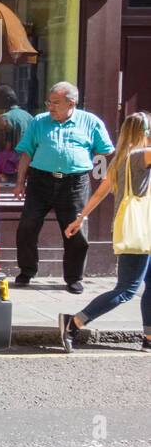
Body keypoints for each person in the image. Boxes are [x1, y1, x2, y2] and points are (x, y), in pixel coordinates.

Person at [58, 111, 151, 352]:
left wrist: (80, 218)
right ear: (145, 133)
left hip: (144, 232)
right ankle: (74, 322)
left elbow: (101, 192)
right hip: (139, 234)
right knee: (126, 290)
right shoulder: (141, 156)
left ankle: (149, 338)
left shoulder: (121, 158)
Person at [13, 81, 114, 293]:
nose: (50, 107)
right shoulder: (39, 121)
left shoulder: (90, 122)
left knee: (75, 232)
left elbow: (106, 149)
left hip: (74, 183)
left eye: (56, 103)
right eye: (49, 102)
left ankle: (74, 278)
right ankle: (27, 271)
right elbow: (26, 153)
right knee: (27, 226)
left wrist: (80, 157)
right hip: (40, 181)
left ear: (71, 103)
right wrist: (20, 182)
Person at [0, 84, 33, 179]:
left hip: (8, 168)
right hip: (27, 166)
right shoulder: (29, 117)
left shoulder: (4, 118)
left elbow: (0, 146)